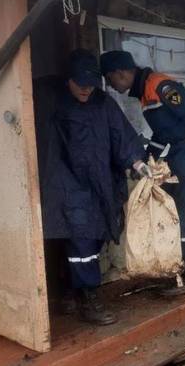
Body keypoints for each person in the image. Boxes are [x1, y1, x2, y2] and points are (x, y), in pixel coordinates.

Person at [99, 51, 185, 296]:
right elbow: (161, 134)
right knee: (169, 206)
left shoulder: (160, 86)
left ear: (121, 73)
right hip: (178, 152)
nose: (112, 86)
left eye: (110, 79)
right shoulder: (145, 94)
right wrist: (148, 160)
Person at [37, 49, 149, 325]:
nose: (86, 88)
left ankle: (69, 290)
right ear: (68, 80)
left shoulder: (103, 103)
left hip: (102, 183)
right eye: (80, 83)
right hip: (69, 183)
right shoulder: (54, 102)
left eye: (90, 83)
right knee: (81, 239)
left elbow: (122, 136)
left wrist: (138, 163)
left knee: (93, 237)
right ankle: (89, 298)